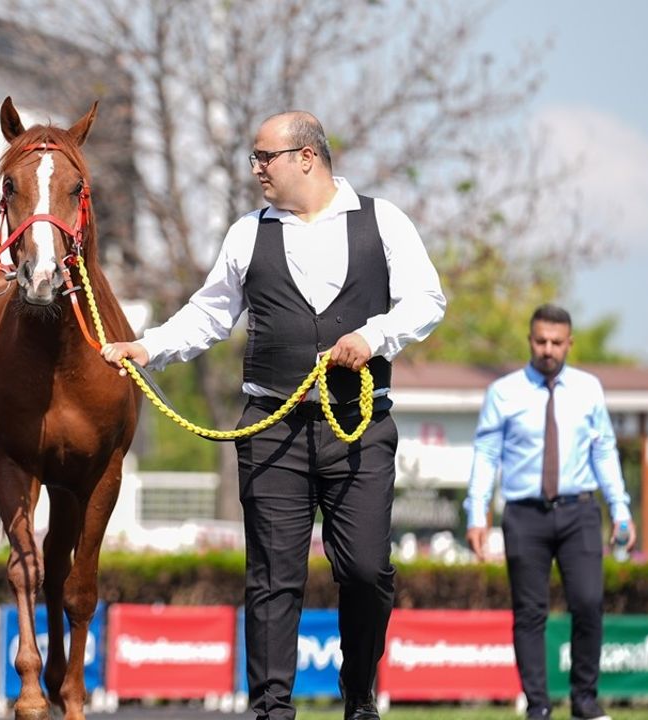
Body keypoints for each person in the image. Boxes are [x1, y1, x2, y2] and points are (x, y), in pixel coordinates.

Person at [102, 111, 445, 720]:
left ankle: (359, 692)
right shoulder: (246, 234)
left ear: (306, 157)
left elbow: (427, 298)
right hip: (271, 428)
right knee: (272, 578)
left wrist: (376, 335)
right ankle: (271, 711)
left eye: (265, 157)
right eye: (255, 157)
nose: (255, 168)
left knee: (366, 569)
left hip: (359, 425)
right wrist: (147, 346)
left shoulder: (382, 220)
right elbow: (208, 314)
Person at [464, 304, 634, 720]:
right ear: (530, 340)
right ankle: (538, 705)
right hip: (524, 514)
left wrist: (620, 508)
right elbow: (486, 453)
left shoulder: (589, 389)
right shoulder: (503, 391)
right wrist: (476, 513)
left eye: (556, 342)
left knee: (589, 602)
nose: (548, 349)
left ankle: (585, 700)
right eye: (540, 341)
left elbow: (604, 450)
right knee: (529, 612)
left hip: (579, 512)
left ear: (569, 343)